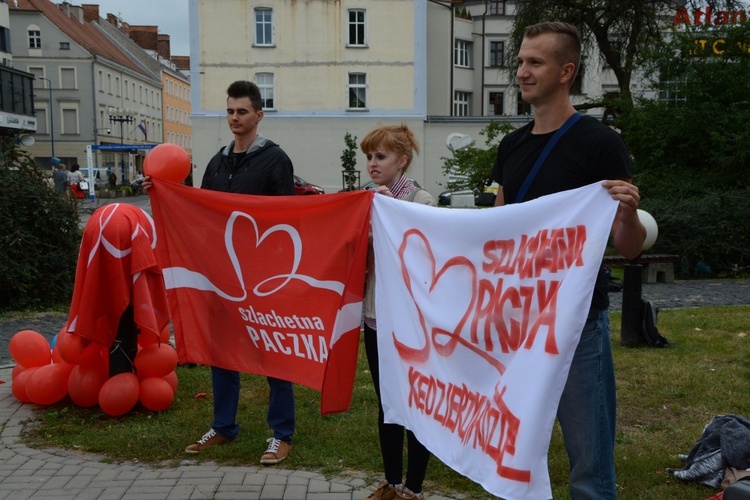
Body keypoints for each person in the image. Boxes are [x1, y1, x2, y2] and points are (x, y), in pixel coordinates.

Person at [492, 22, 646, 499]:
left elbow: (629, 247)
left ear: (566, 71)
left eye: (534, 62)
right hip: (520, 322)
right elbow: (499, 232)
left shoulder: (599, 143)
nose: (521, 71)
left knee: (590, 466)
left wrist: (628, 213)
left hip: (578, 325)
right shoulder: (511, 147)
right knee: (511, 453)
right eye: (519, 61)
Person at [143, 80, 296, 465]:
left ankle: (282, 434)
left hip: (260, 279)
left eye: (241, 111)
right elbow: (196, 212)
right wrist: (161, 190)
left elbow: (287, 221)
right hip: (220, 277)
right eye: (229, 111)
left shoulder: (276, 160)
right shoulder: (216, 161)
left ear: (259, 115)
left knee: (274, 356)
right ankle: (224, 426)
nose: (234, 118)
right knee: (222, 354)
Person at [361, 124, 435, 500]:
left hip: (410, 323)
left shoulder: (420, 202)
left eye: (381, 156)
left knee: (415, 404)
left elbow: (426, 263)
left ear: (401, 161)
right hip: (375, 317)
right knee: (387, 400)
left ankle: (415, 488)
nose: (372, 164)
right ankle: (391, 483)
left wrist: (389, 218)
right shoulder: (365, 200)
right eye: (369, 157)